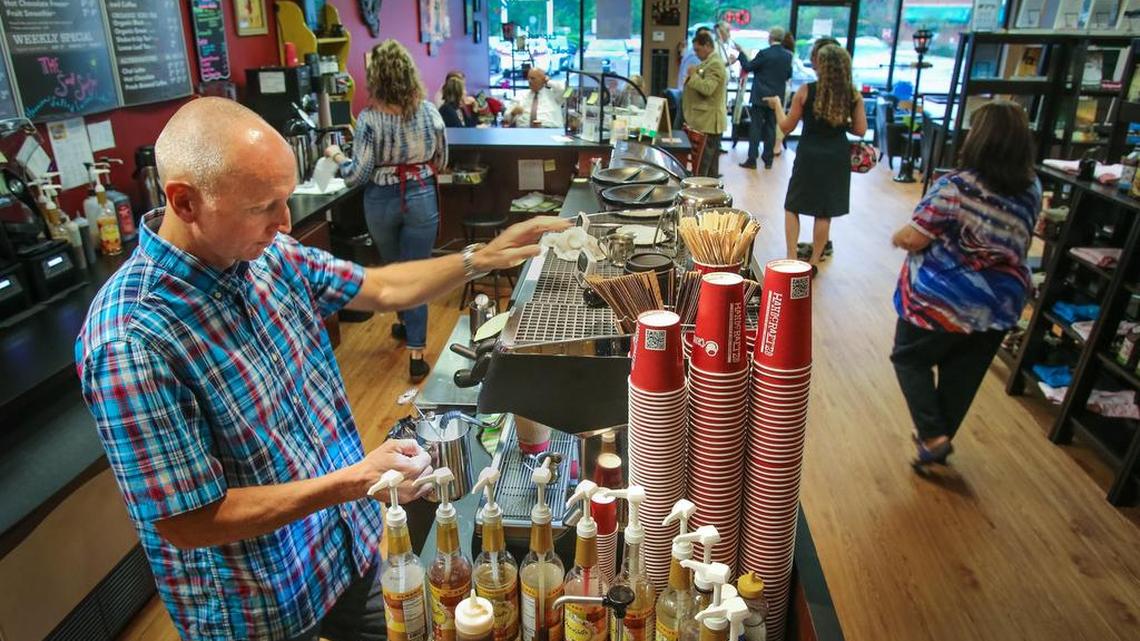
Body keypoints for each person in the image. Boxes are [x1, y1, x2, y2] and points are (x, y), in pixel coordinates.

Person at [75, 96, 570, 641]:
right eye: (263, 206)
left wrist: (483, 256)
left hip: (345, 550)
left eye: (285, 200)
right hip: (259, 605)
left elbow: (381, 287)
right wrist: (353, 481)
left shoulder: (268, 257)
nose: (284, 222)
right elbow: (188, 520)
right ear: (185, 203)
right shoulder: (131, 339)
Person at [889, 101, 1041, 468]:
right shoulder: (1032, 187)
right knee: (964, 373)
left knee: (909, 358)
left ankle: (933, 434)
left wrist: (896, 236)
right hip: (1001, 303)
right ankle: (937, 438)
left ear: (980, 139)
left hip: (944, 300)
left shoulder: (955, 188)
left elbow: (915, 237)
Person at [325, 40, 445, 382]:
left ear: (375, 78)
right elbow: (442, 160)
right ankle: (416, 351)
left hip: (381, 200)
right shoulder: (429, 112)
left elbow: (357, 175)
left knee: (394, 269)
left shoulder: (369, 119)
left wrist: (336, 155)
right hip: (421, 196)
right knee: (417, 273)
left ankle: (407, 325)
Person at [765, 42, 866, 274]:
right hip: (836, 157)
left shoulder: (807, 91)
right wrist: (839, 120)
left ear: (821, 65)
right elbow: (860, 130)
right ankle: (813, 263)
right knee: (824, 210)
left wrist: (778, 105)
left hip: (809, 154)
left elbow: (786, 126)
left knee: (793, 205)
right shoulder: (852, 95)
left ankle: (791, 257)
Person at [739, 27, 793, 169]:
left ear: (770, 37)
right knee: (771, 128)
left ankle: (752, 159)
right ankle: (768, 160)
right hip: (776, 98)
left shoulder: (764, 54)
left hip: (760, 96)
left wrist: (741, 55)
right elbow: (788, 75)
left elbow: (748, 67)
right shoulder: (788, 56)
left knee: (755, 127)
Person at [682, 30, 728, 178]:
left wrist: (692, 76)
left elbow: (708, 88)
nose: (696, 53)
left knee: (702, 169)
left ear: (708, 45)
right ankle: (712, 196)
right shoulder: (708, 63)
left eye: (698, 49)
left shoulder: (715, 64)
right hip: (705, 122)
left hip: (708, 123)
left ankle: (702, 195)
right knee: (710, 169)